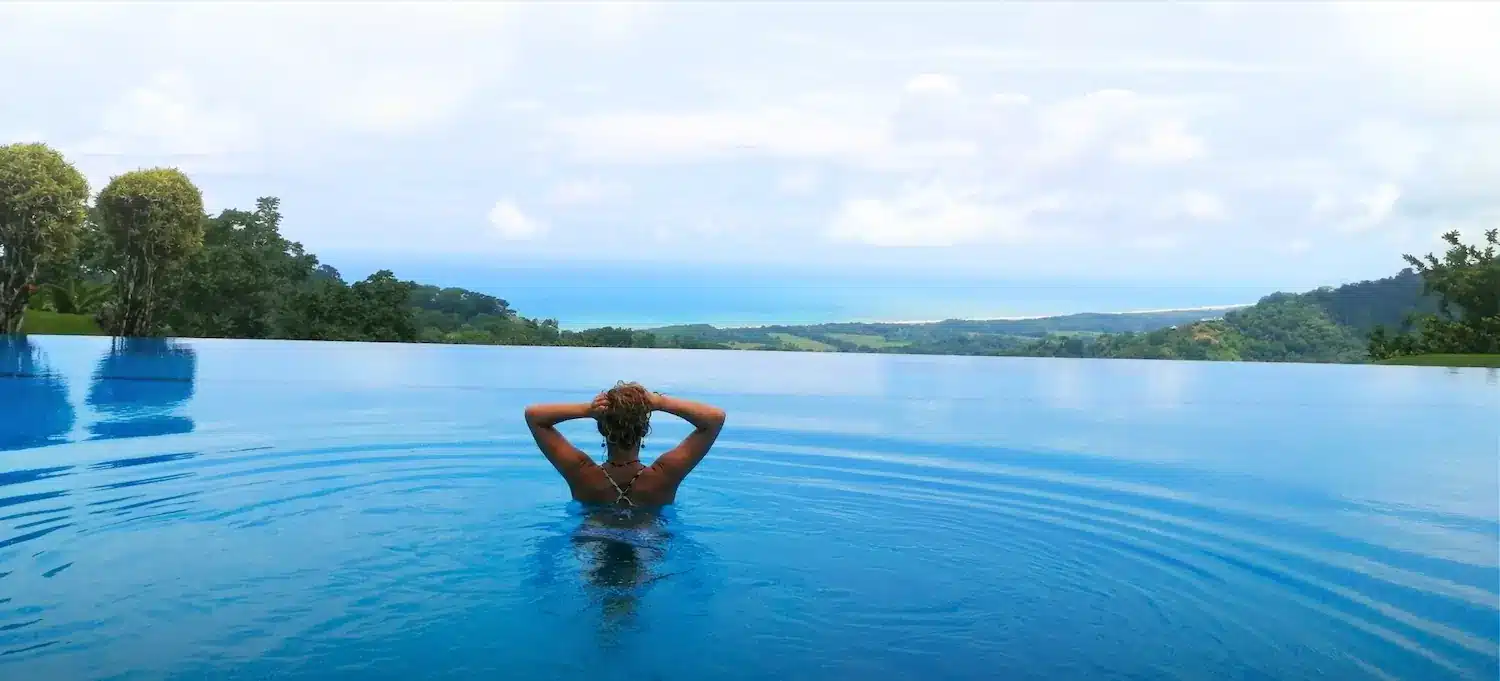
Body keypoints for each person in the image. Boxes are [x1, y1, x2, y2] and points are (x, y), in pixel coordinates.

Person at [524, 382, 726, 508]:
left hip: (594, 539)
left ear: (602, 429)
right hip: (647, 544)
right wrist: (659, 402)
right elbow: (715, 418)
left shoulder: (581, 473)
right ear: (644, 430)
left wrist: (587, 409)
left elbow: (534, 416)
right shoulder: (665, 474)